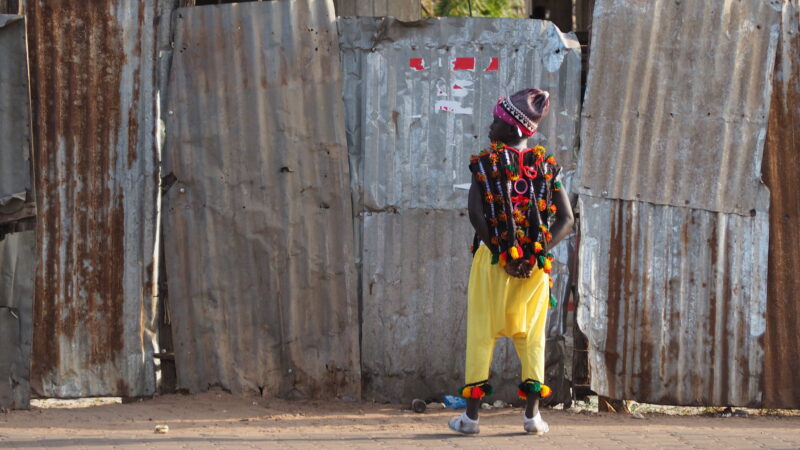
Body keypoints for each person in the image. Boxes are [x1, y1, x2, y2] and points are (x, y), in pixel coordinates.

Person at [448, 89, 574, 435]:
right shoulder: (549, 168)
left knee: (481, 337)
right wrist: (533, 253)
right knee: (532, 339)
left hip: (491, 264)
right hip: (534, 271)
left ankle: (470, 419)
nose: (490, 127)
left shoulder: (485, 165)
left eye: (497, 122)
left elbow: (477, 213)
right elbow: (566, 220)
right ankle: (532, 418)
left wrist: (503, 255)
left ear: (517, 129)